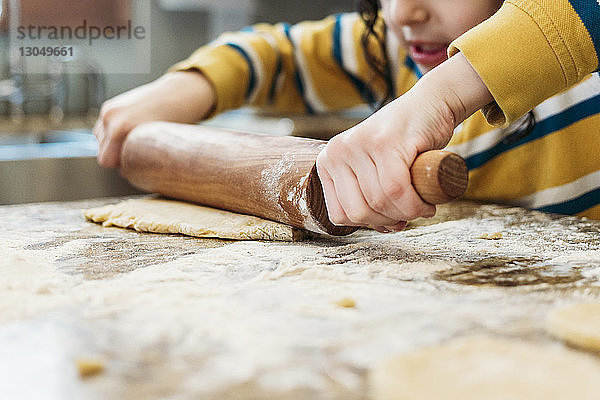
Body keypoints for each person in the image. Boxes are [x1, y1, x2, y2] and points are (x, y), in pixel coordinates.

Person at [94, 0, 600, 233]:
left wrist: (440, 97)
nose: (405, 12)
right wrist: (188, 88)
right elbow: (278, 55)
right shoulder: (388, 50)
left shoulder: (583, 61)